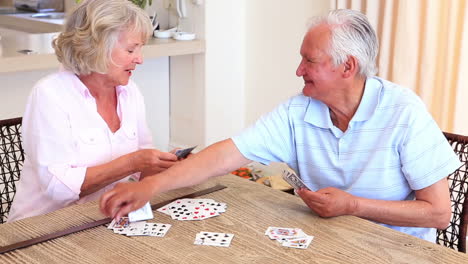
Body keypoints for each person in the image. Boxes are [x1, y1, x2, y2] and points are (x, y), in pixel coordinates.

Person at [100, 9, 461, 242]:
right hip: (328, 240)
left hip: (397, 249)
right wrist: (153, 186)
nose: (298, 70)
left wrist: (353, 206)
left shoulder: (404, 112)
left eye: (309, 60)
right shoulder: (298, 111)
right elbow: (225, 155)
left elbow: (438, 214)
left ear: (347, 67)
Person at [8, 0, 179, 222]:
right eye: (130, 49)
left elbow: (142, 169)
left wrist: (166, 163)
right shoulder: (50, 94)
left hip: (97, 222)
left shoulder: (130, 92)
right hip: (40, 228)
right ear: (97, 48)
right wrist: (134, 161)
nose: (140, 59)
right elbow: (57, 189)